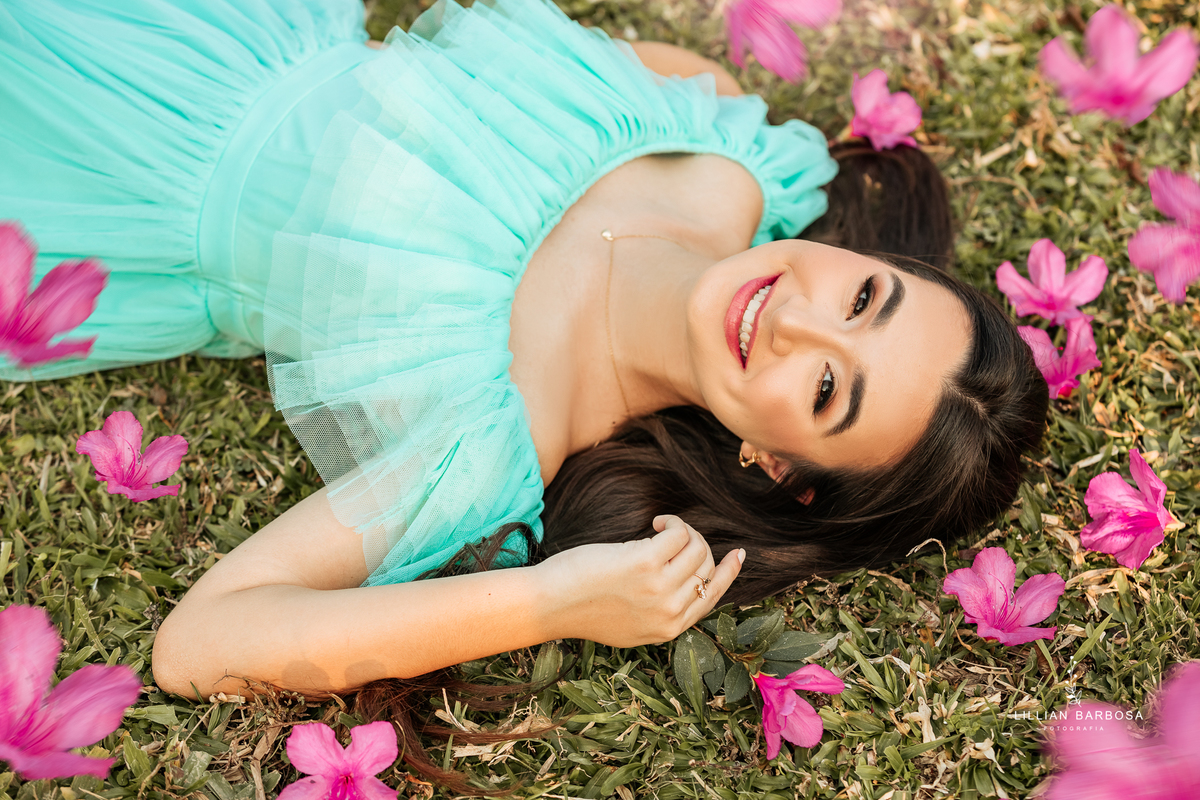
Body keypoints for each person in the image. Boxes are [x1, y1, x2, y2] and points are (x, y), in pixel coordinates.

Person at [0, 0, 1048, 702]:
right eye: (864, 296)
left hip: (104, 169)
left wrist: (559, 599)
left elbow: (198, 645)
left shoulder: (490, 436)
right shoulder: (724, 156)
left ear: (778, 467)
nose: (797, 320)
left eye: (826, 388)